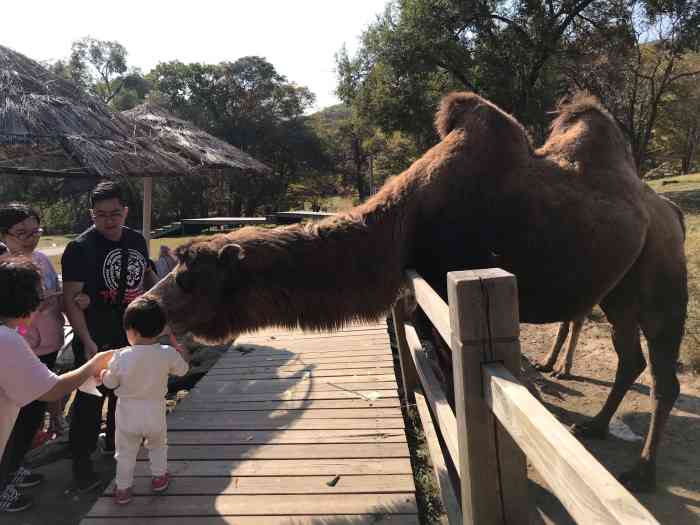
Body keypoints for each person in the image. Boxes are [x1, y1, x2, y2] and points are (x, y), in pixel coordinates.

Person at [61, 181, 158, 492]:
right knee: (90, 398)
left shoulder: (137, 240)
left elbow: (148, 278)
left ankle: (116, 446)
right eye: (101, 215)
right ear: (92, 214)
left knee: (126, 394)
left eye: (115, 213)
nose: (109, 221)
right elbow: (70, 300)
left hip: (132, 331)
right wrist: (86, 340)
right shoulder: (79, 248)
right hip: (96, 333)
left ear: (125, 211)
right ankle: (81, 462)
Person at [0, 258, 112, 513]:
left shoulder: (8, 335)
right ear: (27, 300)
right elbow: (52, 389)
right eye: (40, 296)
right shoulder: (6, 340)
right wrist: (94, 364)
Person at [0, 203, 90, 495]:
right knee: (13, 420)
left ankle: (13, 468)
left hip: (47, 348)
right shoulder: (5, 273)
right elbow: (15, 319)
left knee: (28, 421)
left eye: (34, 231)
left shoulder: (41, 260)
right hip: (20, 355)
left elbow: (58, 296)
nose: (30, 239)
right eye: (20, 233)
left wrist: (74, 302)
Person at [100, 298, 188, 505]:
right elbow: (183, 370)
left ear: (133, 332)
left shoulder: (121, 356)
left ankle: (123, 489)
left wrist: (104, 374)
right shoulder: (167, 354)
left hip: (127, 415)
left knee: (125, 454)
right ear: (159, 330)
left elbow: (111, 383)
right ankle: (159, 478)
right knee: (158, 447)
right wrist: (182, 353)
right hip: (155, 413)